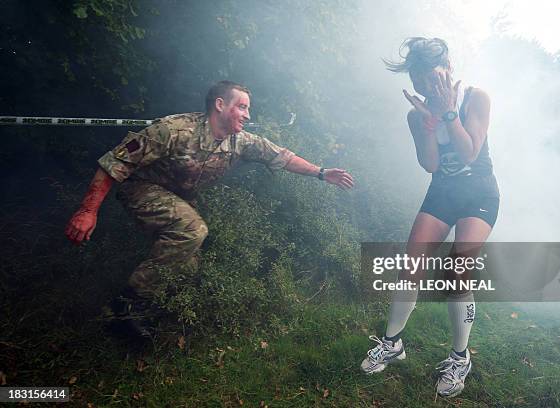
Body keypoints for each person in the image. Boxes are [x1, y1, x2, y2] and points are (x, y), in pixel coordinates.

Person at [65, 80, 354, 337]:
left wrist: (321, 172)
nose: (248, 115)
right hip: (140, 188)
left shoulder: (240, 142)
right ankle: (124, 307)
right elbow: (114, 163)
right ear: (220, 105)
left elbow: (281, 156)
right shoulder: (174, 130)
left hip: (178, 198)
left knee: (188, 265)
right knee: (193, 230)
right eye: (242, 107)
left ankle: (150, 313)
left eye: (248, 109)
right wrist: (87, 211)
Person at [360, 38, 499, 398]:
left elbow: (469, 153)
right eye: (417, 77)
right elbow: (431, 165)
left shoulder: (475, 97)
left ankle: (459, 357)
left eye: (430, 74)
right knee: (411, 264)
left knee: (457, 269)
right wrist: (426, 124)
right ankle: (392, 344)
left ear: (448, 68)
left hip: (479, 194)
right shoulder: (414, 112)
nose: (424, 84)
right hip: (441, 194)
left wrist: (450, 113)